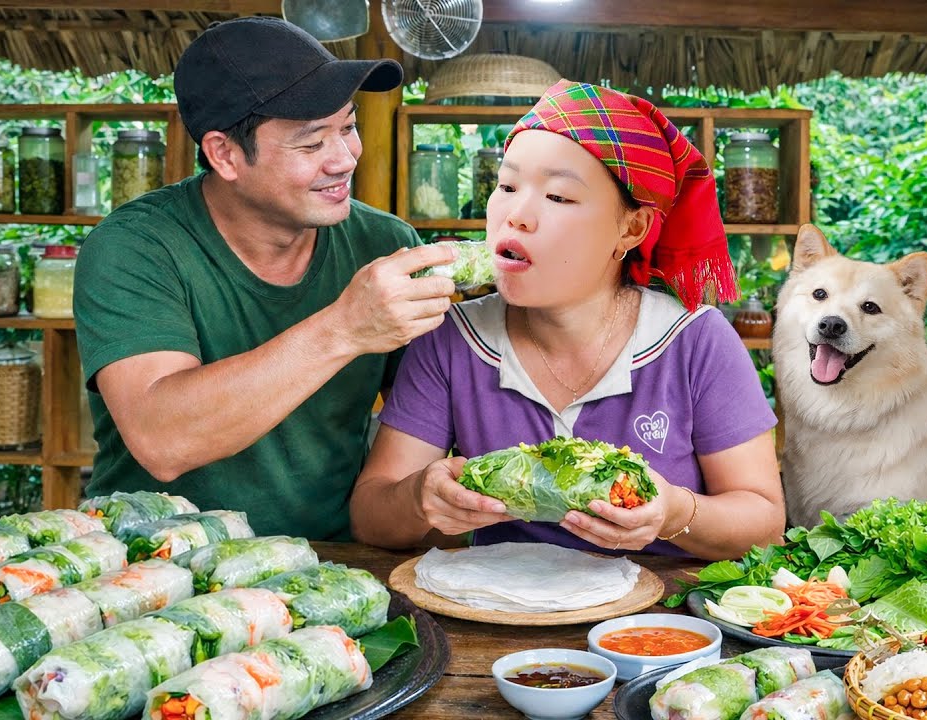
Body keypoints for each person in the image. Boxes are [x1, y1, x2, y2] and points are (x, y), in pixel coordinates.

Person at [350, 80, 785, 560]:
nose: (516, 215)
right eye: (507, 186)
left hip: (659, 622)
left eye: (557, 197)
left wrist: (674, 513)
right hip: (500, 613)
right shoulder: (454, 337)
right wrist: (419, 499)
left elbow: (764, 524)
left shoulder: (695, 340)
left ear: (631, 228)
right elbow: (371, 514)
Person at [73, 17, 457, 538]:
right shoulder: (134, 247)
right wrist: (344, 328)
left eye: (347, 127)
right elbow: (163, 440)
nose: (344, 160)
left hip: (333, 566)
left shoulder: (386, 244)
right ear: (225, 155)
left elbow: (429, 414)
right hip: (153, 566)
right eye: (310, 143)